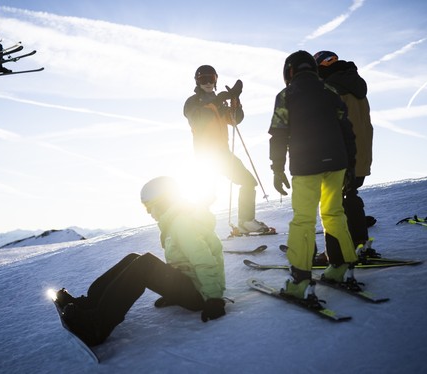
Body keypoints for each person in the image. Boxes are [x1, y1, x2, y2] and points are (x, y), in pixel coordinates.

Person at [53, 176, 227, 347]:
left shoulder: (183, 224)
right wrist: (173, 292)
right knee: (134, 258)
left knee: (145, 265)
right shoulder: (178, 221)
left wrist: (213, 300)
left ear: (163, 202)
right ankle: (88, 304)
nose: (149, 213)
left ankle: (96, 326)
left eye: (150, 207)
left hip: (202, 295)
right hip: (191, 286)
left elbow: (204, 261)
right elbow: (184, 264)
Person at [268, 50, 359, 300]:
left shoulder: (286, 95)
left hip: (306, 166)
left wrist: (277, 169)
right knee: (334, 213)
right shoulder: (330, 92)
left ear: (290, 72)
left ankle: (300, 280)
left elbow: (278, 134)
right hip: (337, 163)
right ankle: (341, 267)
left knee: (303, 221)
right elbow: (347, 130)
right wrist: (350, 166)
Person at [183, 65, 269, 234]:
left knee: (248, 181)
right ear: (197, 81)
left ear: (216, 80)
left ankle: (246, 222)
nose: (208, 82)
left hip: (223, 154)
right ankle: (195, 231)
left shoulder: (219, 101)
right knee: (206, 195)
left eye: (211, 79)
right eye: (203, 79)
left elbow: (235, 119)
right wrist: (215, 102)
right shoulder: (192, 102)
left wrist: (235, 100)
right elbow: (197, 120)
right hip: (206, 156)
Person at [313, 51, 375, 256]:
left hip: (342, 155)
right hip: (361, 155)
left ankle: (337, 252)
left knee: (333, 203)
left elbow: (328, 125)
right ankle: (359, 243)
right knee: (349, 196)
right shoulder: (355, 85)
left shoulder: (332, 89)